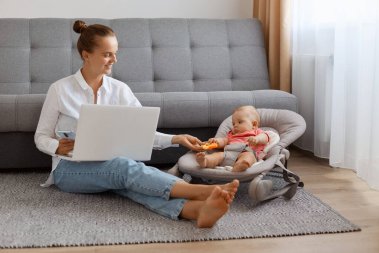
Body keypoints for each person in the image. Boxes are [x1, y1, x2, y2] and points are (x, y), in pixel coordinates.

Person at [34, 20, 239, 228]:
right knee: (124, 168)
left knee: (131, 182)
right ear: (86, 55)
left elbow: (141, 131)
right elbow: (41, 136)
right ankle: (201, 192)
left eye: (115, 53)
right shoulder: (60, 89)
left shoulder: (120, 90)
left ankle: (194, 210)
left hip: (108, 165)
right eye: (107, 54)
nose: (114, 59)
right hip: (68, 170)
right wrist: (56, 145)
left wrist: (176, 138)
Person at [196, 105, 270, 172]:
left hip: (246, 151)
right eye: (233, 123)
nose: (235, 125)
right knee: (217, 155)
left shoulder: (256, 132)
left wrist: (257, 139)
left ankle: (240, 165)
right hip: (229, 153)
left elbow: (265, 137)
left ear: (254, 124)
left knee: (248, 157)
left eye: (240, 122)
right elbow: (224, 141)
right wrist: (216, 141)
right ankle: (205, 161)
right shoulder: (231, 134)